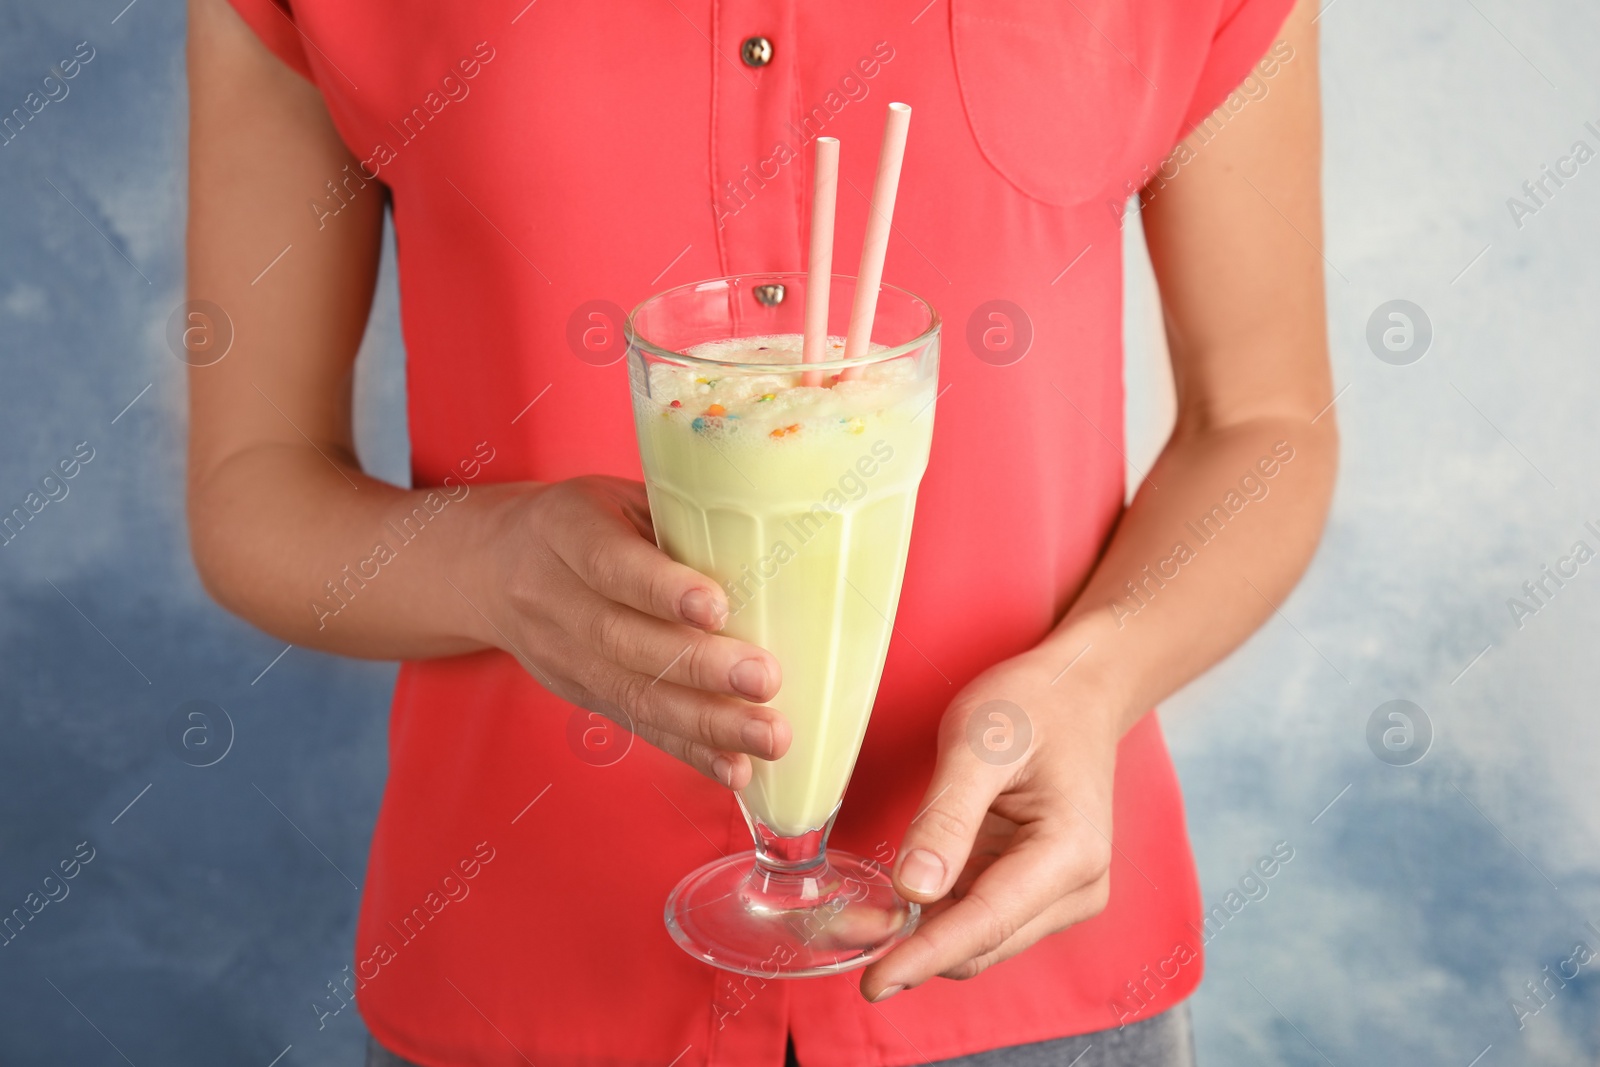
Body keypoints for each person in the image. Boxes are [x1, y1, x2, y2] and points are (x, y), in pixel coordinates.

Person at [185, 0, 1336, 1062]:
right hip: (529, 973)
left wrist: (1101, 673)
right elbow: (254, 487)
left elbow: (1264, 425)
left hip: (1026, 961)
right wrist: (489, 569)